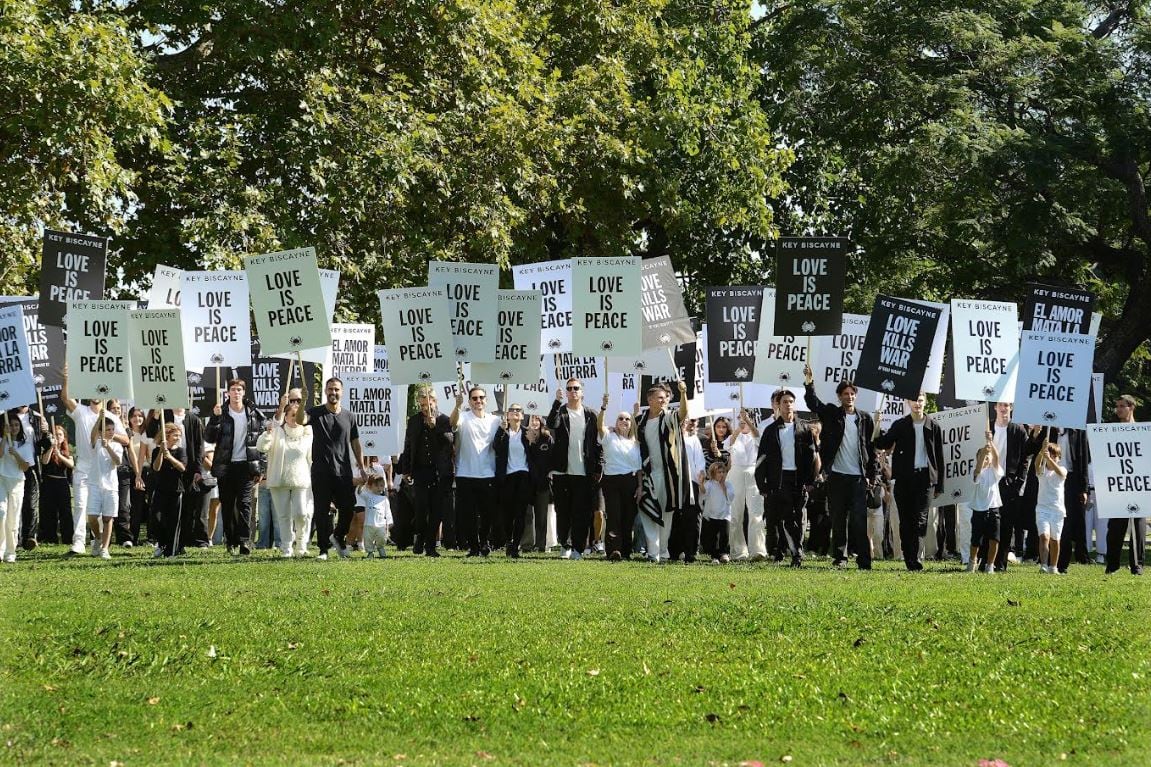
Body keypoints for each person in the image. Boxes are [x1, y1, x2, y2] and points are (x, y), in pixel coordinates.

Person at [803, 364, 878, 570]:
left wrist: (872, 475)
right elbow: (813, 403)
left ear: (856, 396)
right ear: (839, 396)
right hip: (836, 475)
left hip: (858, 478)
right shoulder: (831, 414)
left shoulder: (865, 419)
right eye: (845, 394)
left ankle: (864, 560)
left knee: (859, 520)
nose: (849, 397)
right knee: (838, 519)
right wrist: (810, 383)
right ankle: (840, 557)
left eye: (852, 394)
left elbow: (870, 450)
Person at [60, 364, 131, 555]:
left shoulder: (111, 417)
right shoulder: (81, 411)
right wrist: (66, 378)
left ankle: (98, 540)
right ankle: (79, 542)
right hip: (84, 465)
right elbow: (65, 398)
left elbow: (125, 440)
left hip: (103, 468)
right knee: (81, 505)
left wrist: (109, 437)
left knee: (99, 511)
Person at [872, 392, 944, 571]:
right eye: (914, 401)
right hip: (904, 479)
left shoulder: (933, 426)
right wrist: (877, 422)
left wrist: (939, 484)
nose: (917, 404)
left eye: (920, 401)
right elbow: (882, 443)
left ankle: (915, 558)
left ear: (925, 402)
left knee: (920, 519)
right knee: (906, 521)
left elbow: (940, 458)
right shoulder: (900, 425)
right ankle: (909, 557)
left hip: (925, 479)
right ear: (908, 402)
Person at [755, 390, 818, 567]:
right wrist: (763, 485)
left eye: (791, 401)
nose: (788, 404)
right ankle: (794, 552)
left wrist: (811, 481)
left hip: (798, 479)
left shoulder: (804, 429)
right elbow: (761, 460)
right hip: (779, 479)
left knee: (795, 517)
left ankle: (786, 551)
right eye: (784, 402)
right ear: (778, 405)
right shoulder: (770, 430)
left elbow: (813, 457)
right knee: (786, 516)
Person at [306, 377, 366, 559]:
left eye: (336, 389)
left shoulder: (349, 416)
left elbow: (355, 442)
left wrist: (362, 467)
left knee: (348, 509)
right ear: (325, 392)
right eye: (330, 389)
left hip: (343, 471)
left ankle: (338, 536)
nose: (333, 393)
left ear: (342, 392)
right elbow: (301, 419)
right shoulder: (315, 413)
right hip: (321, 471)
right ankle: (324, 549)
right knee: (322, 511)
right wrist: (302, 403)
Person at [205, 379, 266, 556]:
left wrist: (261, 468)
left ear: (243, 392)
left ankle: (244, 541)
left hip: (246, 466)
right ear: (228, 393)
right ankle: (230, 540)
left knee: (245, 504)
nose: (236, 392)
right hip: (226, 466)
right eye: (233, 389)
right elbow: (209, 438)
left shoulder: (254, 413)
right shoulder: (221, 412)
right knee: (228, 505)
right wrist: (215, 419)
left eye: (239, 389)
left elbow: (260, 443)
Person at [546, 378, 601, 560]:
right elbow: (551, 424)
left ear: (582, 392)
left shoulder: (590, 415)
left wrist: (598, 467)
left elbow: (595, 444)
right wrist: (556, 402)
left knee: (581, 512)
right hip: (562, 471)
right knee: (563, 511)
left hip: (583, 471)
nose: (572, 391)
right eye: (569, 388)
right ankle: (565, 544)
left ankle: (578, 547)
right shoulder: (560, 412)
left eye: (576, 388)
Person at [636, 382, 691, 564]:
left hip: (668, 475)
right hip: (648, 474)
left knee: (666, 514)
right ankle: (653, 551)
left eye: (665, 397)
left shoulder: (667, 417)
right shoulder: (640, 420)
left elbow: (682, 414)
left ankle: (663, 550)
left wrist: (683, 394)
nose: (663, 400)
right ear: (649, 399)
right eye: (659, 397)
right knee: (648, 511)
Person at [256, 388, 313, 558]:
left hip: (301, 480)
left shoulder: (307, 432)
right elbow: (262, 447)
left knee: (302, 513)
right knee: (284, 516)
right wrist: (268, 434)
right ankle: (286, 547)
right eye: (292, 416)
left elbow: (312, 456)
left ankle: (302, 544)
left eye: (299, 416)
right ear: (286, 417)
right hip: (279, 480)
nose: (296, 419)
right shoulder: (277, 431)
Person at [398, 388, 453, 557]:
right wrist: (406, 470)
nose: (424, 408)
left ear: (434, 402)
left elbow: (450, 441)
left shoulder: (444, 419)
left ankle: (431, 545)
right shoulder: (414, 421)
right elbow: (408, 446)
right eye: (421, 405)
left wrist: (435, 427)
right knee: (421, 509)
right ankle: (419, 539)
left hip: (439, 471)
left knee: (436, 511)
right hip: (420, 471)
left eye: (427, 404)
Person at [451, 386, 501, 557]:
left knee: (488, 513)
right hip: (465, 472)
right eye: (474, 398)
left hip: (488, 473)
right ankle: (473, 546)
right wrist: (457, 406)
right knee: (468, 514)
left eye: (481, 398)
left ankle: (484, 542)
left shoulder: (495, 420)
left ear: (486, 400)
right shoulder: (463, 417)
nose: (478, 401)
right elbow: (452, 424)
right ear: (469, 401)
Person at [983, 402, 1032, 571]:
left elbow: (1025, 458)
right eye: (1000, 405)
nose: (1003, 408)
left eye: (1007, 405)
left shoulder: (1018, 430)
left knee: (1006, 525)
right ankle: (986, 560)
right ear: (995, 407)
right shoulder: (987, 427)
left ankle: (1001, 562)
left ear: (1011, 407)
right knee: (987, 522)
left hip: (1008, 483)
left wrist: (1019, 482)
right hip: (988, 481)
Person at [597, 395, 641, 561]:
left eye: (627, 419)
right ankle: (614, 550)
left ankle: (626, 550)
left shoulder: (636, 443)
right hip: (612, 481)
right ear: (616, 422)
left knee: (628, 516)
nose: (624, 421)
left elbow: (638, 470)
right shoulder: (609, 437)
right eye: (620, 418)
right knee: (614, 515)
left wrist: (640, 487)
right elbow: (599, 425)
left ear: (631, 423)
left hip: (630, 481)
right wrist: (603, 408)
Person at [1105, 394, 1145, 575]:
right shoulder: (1112, 431)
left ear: (1131, 407)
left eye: (1122, 406)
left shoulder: (1142, 430)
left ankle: (1137, 565)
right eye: (1117, 406)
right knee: (1115, 527)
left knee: (1138, 527)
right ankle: (1112, 565)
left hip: (1138, 484)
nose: (1118, 409)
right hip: (1119, 485)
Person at [725, 408, 766, 561]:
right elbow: (730, 443)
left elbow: (757, 437)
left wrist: (748, 421)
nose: (744, 422)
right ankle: (738, 551)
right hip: (735, 473)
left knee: (756, 512)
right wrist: (739, 426)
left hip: (753, 472)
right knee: (735, 513)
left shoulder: (757, 434)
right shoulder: (734, 435)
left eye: (747, 419)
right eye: (740, 419)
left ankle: (758, 550)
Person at [495, 403, 534, 558]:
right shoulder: (503, 432)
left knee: (520, 513)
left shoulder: (528, 433)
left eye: (519, 410)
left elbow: (536, 453)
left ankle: (515, 545)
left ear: (523, 416)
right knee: (507, 514)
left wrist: (534, 441)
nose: (515, 412)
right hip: (507, 477)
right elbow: (495, 447)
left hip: (523, 476)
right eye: (512, 410)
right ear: (507, 415)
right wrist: (500, 430)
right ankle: (508, 541)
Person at [12, 405, 49, 550]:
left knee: (31, 503)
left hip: (31, 463)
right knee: (14, 502)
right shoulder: (7, 416)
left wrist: (45, 432)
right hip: (11, 463)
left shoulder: (37, 417)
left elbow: (42, 441)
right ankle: (15, 538)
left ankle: (29, 537)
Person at [86, 415, 123, 560]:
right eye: (107, 429)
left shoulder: (117, 446)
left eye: (112, 429)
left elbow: (118, 461)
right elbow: (93, 435)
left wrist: (108, 447)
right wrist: (99, 419)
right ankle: (98, 538)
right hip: (95, 484)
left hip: (111, 486)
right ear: (101, 432)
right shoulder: (96, 444)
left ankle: (105, 548)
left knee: (108, 518)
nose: (111, 432)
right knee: (92, 516)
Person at [670, 416, 706, 563]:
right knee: (675, 517)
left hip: (691, 483)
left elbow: (699, 461)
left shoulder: (693, 440)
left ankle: (691, 550)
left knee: (692, 517)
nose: (683, 425)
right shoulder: (671, 440)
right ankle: (675, 551)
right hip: (675, 482)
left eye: (685, 422)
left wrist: (700, 475)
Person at [0, 412, 34, 562]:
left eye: (16, 425)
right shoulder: (2, 440)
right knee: (1, 513)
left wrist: (16, 454)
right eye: (11, 425)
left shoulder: (25, 445)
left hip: (17, 482)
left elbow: (25, 467)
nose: (14, 428)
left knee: (13, 518)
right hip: (1, 480)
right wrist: (4, 437)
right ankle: (0, 550)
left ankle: (10, 552)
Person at [968, 433, 1003, 573]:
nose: (986, 459)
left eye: (987, 458)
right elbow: (977, 469)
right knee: (976, 539)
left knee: (994, 539)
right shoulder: (976, 472)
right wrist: (983, 453)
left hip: (993, 508)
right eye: (982, 457)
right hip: (978, 509)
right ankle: (972, 561)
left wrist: (990, 442)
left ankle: (990, 565)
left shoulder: (995, 471)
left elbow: (996, 459)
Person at [151, 423, 187, 557]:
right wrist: (162, 451)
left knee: (173, 521)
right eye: (175, 435)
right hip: (161, 489)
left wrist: (170, 457)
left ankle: (171, 550)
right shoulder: (156, 450)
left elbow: (182, 468)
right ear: (167, 436)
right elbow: (156, 467)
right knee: (157, 519)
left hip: (176, 490)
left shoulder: (181, 451)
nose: (177, 437)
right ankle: (162, 543)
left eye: (179, 435)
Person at [1034, 437, 1068, 574]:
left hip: (1058, 511)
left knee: (1055, 540)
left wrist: (1049, 459)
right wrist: (1041, 452)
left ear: (1059, 457)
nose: (1053, 457)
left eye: (1055, 456)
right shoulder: (1042, 471)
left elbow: (1059, 472)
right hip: (1042, 509)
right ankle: (1043, 564)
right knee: (1044, 537)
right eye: (1051, 454)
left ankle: (1053, 567)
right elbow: (1036, 465)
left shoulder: (1062, 470)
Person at [38, 424, 73, 544]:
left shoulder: (67, 450)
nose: (58, 437)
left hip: (62, 483)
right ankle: (50, 538)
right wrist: (52, 448)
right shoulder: (48, 448)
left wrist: (60, 456)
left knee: (65, 512)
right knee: (49, 512)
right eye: (55, 435)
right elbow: (44, 461)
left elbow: (71, 464)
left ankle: (67, 538)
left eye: (60, 434)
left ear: (64, 437)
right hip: (49, 483)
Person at [524, 415, 554, 552]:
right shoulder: (523, 437)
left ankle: (540, 545)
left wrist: (550, 473)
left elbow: (552, 458)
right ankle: (526, 544)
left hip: (543, 483)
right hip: (527, 481)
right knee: (527, 515)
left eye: (537, 419)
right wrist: (529, 443)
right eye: (532, 419)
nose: (535, 422)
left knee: (541, 516)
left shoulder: (547, 438)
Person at [124, 407, 151, 547]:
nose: (137, 419)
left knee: (151, 505)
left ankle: (151, 538)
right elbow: (131, 455)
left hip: (148, 471)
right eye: (133, 416)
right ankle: (133, 538)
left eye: (140, 416)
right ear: (129, 418)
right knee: (136, 507)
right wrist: (137, 475)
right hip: (134, 473)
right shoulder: (127, 434)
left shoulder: (148, 433)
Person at [700, 462, 733, 563]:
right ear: (713, 473)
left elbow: (730, 497)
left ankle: (724, 553)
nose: (721, 474)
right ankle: (714, 556)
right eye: (719, 472)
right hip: (712, 514)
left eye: (723, 472)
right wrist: (701, 483)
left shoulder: (728, 484)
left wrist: (723, 486)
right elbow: (704, 493)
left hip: (725, 514)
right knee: (713, 537)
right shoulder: (709, 484)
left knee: (725, 535)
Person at [357, 473, 393, 558]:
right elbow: (359, 492)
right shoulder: (368, 496)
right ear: (370, 486)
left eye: (381, 485)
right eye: (376, 485)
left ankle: (380, 547)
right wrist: (363, 483)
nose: (379, 488)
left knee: (382, 537)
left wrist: (389, 522)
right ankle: (370, 552)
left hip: (381, 524)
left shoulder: (384, 499)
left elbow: (387, 511)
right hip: (369, 523)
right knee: (368, 538)